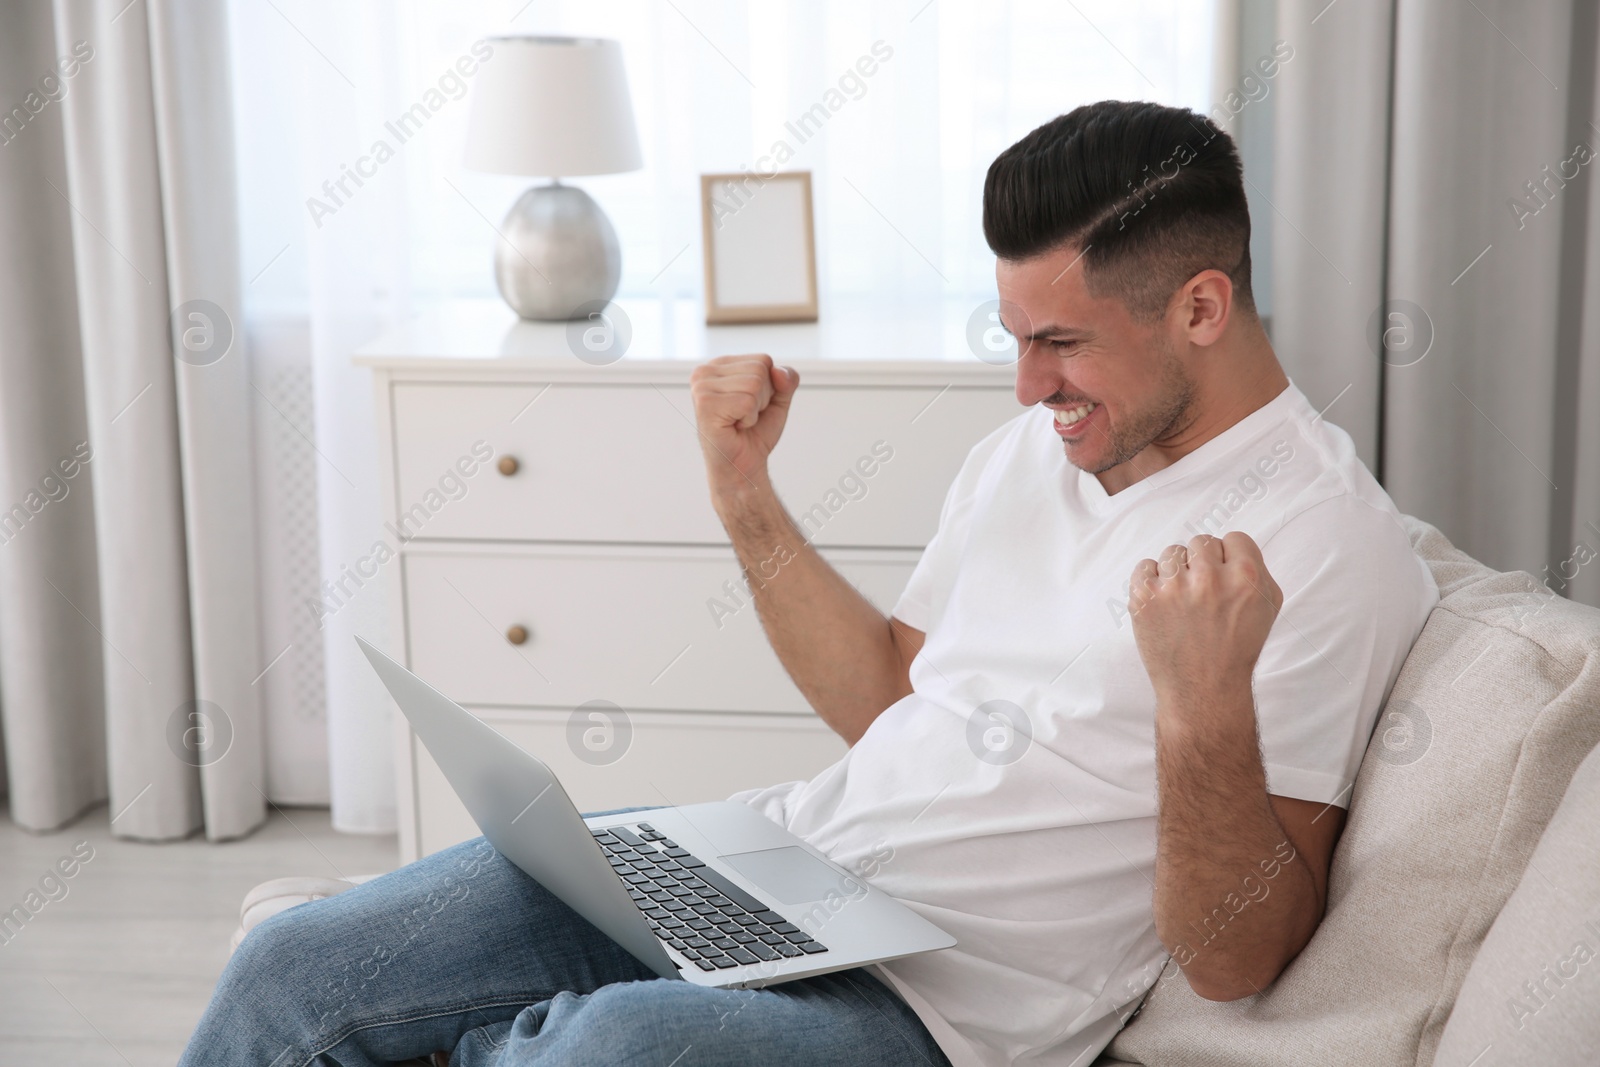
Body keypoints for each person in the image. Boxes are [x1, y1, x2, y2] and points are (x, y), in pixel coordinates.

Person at [180, 99, 1437, 1067]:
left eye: (1061, 344)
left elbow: (1237, 956)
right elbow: (892, 694)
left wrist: (1201, 704)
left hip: (935, 1004)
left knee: (605, 1047)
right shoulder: (1032, 450)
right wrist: (745, 496)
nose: (1023, 389)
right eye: (1013, 337)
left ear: (1202, 308)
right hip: (776, 866)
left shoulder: (1328, 547)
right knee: (295, 964)